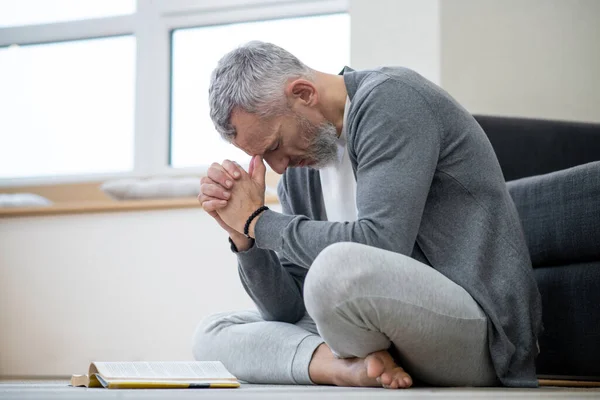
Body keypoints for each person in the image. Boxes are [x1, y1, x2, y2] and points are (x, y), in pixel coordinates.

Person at [193, 41, 542, 389]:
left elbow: (381, 244)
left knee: (334, 271)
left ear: (303, 93)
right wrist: (246, 239)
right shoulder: (303, 169)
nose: (279, 168)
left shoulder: (391, 100)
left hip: (477, 332)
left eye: (274, 146)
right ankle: (344, 369)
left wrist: (259, 221)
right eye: (264, 156)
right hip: (373, 329)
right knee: (212, 332)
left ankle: (341, 362)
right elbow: (287, 311)